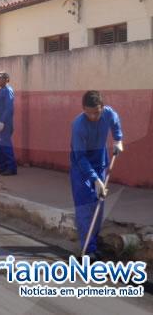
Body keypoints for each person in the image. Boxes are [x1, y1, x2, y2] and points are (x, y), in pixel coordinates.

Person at [70, 90, 123, 260]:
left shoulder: (108, 113)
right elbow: (80, 157)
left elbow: (115, 123)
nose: (93, 116)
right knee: (85, 208)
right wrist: (95, 180)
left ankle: (93, 241)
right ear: (83, 109)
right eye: (88, 113)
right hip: (81, 169)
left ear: (102, 107)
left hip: (100, 164)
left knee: (98, 206)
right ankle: (88, 250)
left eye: (96, 112)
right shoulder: (78, 125)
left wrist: (118, 139)